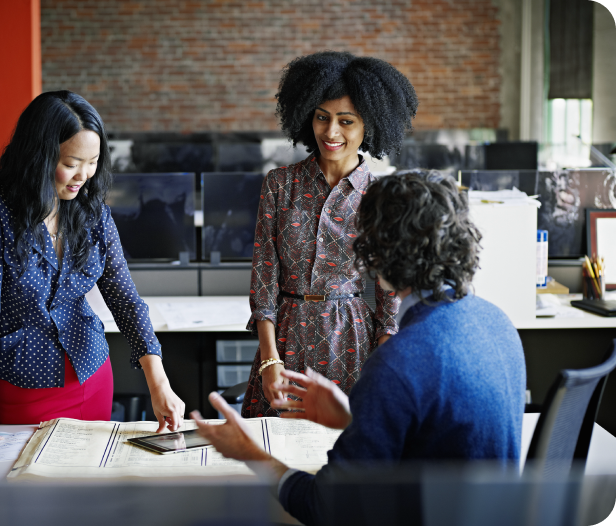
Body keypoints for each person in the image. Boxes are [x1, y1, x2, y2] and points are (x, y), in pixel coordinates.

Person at [193, 170, 527, 526]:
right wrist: (353, 419)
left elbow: (326, 507)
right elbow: (437, 442)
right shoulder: (498, 324)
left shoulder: (398, 364)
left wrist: (249, 453)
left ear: (377, 254)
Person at [0, 91, 185, 451]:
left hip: (91, 375)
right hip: (26, 383)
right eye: (72, 163)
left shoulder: (92, 213)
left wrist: (159, 383)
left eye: (92, 163)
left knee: (89, 488)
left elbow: (125, 300)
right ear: (40, 156)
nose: (84, 176)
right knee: (31, 493)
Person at [244, 51, 419, 417]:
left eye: (346, 121)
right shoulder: (280, 185)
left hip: (352, 338)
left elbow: (390, 294)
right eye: (321, 117)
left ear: (368, 125)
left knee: (347, 452)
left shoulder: (381, 196)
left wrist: (385, 358)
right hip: (285, 336)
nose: (330, 132)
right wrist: (268, 359)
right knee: (274, 451)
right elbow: (264, 278)